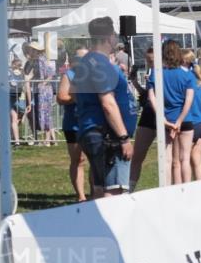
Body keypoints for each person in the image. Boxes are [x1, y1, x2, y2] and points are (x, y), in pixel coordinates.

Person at [72, 17, 136, 198]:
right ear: (110, 37)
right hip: (107, 135)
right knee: (114, 190)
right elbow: (108, 103)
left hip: (93, 130)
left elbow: (76, 93)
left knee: (100, 187)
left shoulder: (87, 61)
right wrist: (123, 138)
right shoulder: (99, 63)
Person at [148, 40, 196, 185]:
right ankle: (187, 190)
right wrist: (180, 121)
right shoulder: (187, 75)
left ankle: (166, 190)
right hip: (185, 120)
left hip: (165, 120)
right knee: (185, 159)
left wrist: (161, 118)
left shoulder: (156, 74)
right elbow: (189, 100)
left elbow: (152, 97)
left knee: (166, 160)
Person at [56, 48, 88, 201]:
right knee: (78, 159)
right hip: (73, 124)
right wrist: (77, 98)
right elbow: (61, 97)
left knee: (95, 161)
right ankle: (81, 196)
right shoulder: (69, 75)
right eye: (79, 58)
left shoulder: (95, 75)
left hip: (91, 123)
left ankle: (95, 193)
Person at [128, 47, 156, 192]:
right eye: (147, 60)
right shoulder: (152, 74)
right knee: (137, 155)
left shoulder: (165, 73)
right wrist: (135, 83)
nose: (149, 63)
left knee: (171, 158)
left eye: (151, 60)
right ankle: (130, 189)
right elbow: (146, 96)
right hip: (148, 115)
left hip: (166, 115)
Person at [182, 49, 201, 181]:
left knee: (184, 160)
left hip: (192, 123)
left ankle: (186, 190)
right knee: (197, 160)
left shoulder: (185, 78)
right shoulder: (198, 77)